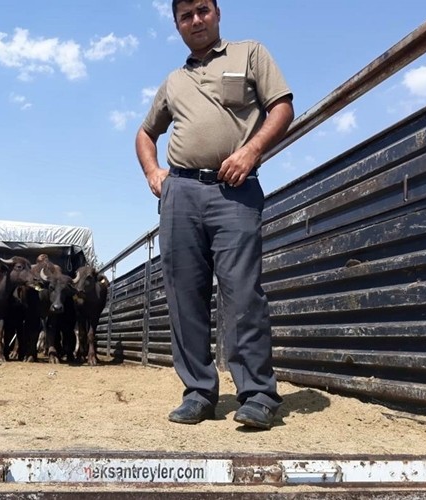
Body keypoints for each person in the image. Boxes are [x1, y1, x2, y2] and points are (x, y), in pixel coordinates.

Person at [135, 0, 294, 429]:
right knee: (184, 295)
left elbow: (282, 107)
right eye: (185, 16)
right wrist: (155, 173)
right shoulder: (173, 80)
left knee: (243, 293)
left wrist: (251, 151)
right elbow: (146, 133)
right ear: (177, 25)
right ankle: (199, 393)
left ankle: (258, 394)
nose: (196, 20)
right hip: (180, 193)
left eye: (202, 10)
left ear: (217, 13)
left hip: (235, 190)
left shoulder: (250, 54)